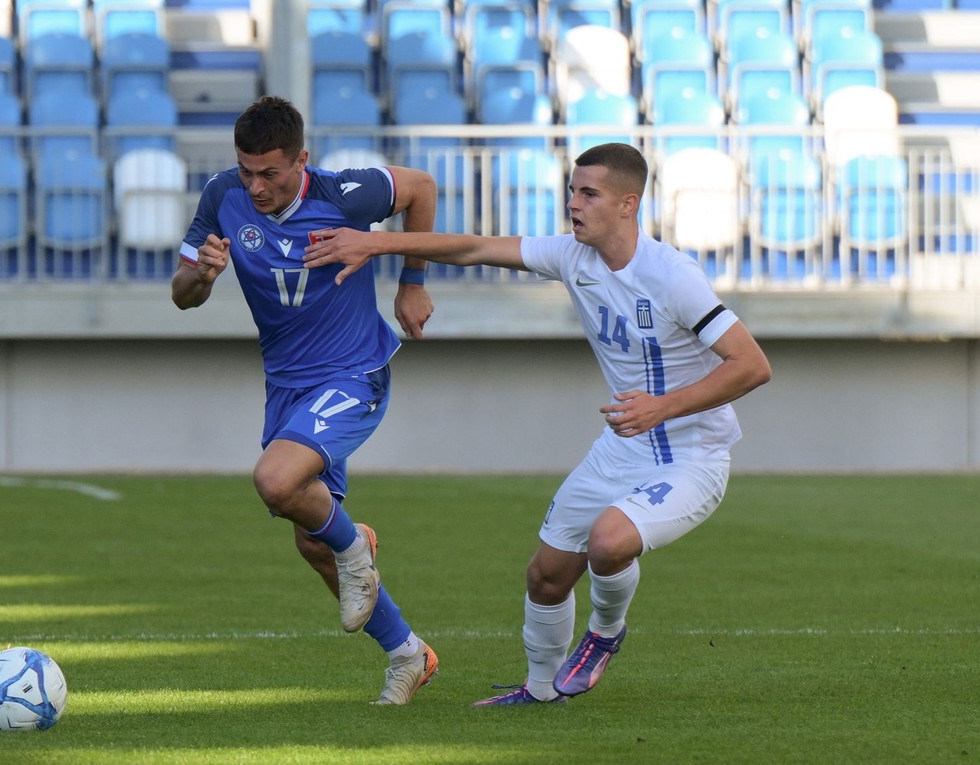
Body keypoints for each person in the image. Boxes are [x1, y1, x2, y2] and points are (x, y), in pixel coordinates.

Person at [303, 142, 773, 705]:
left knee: (608, 541)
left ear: (629, 204)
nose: (573, 203)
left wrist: (661, 407)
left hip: (694, 455)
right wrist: (379, 244)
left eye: (588, 194)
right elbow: (474, 247)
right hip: (623, 447)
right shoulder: (571, 255)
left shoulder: (673, 276)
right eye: (572, 190)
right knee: (546, 576)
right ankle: (542, 690)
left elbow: (752, 365)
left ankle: (603, 636)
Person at [170, 95, 441, 705]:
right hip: (288, 387)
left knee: (275, 480)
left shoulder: (345, 193)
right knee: (312, 540)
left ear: (302, 162)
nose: (256, 186)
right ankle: (408, 653)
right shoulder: (221, 197)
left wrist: (413, 282)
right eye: (247, 171)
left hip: (354, 373)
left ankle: (356, 543)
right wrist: (202, 275)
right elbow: (181, 293)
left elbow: (422, 188)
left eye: (270, 173)